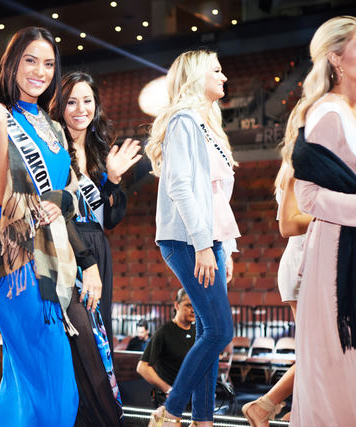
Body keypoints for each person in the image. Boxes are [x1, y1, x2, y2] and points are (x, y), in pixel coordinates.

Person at [0, 27, 101, 426]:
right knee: (56, 387)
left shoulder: (53, 127)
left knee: (21, 379)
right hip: (10, 255)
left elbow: (68, 193)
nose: (40, 71)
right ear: (13, 63)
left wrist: (63, 202)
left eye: (49, 63)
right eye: (30, 60)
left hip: (52, 256)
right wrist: (2, 128)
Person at [144, 49, 239, 426]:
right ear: (196, 76)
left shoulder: (206, 124)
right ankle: (169, 412)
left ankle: (203, 420)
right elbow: (181, 187)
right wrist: (203, 245)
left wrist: (224, 249)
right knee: (219, 330)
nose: (224, 76)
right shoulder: (184, 121)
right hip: (187, 240)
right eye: (216, 70)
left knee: (206, 330)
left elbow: (216, 198)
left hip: (206, 239)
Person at [282, 16, 356, 426]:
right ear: (336, 58)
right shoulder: (328, 112)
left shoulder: (350, 110)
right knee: (336, 366)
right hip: (335, 255)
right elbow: (308, 195)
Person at [51, 71, 142, 349]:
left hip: (98, 246)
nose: (81, 110)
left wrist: (113, 180)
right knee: (78, 336)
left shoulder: (100, 151)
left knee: (100, 334)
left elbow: (110, 219)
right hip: (68, 245)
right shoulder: (54, 149)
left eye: (87, 101)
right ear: (60, 107)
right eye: (71, 102)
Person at [242, 159, 313, 425]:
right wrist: (338, 212)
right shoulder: (297, 164)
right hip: (303, 265)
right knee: (316, 351)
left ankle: (298, 410)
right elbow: (288, 226)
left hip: (309, 262)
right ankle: (266, 404)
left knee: (317, 350)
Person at [136, 289, 196, 408]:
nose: (193, 310)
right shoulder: (164, 332)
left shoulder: (198, 332)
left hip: (193, 399)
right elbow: (142, 367)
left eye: (195, 305)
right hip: (170, 401)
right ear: (176, 305)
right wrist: (168, 389)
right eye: (188, 305)